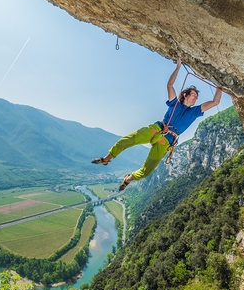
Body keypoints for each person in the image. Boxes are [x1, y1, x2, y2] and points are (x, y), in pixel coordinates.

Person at [92, 58, 222, 191]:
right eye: (194, 95)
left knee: (147, 170)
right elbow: (170, 85)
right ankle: (106, 158)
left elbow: (215, 102)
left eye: (196, 96)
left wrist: (220, 86)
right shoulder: (175, 102)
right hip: (158, 129)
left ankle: (128, 178)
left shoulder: (195, 111)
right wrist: (178, 67)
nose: (196, 97)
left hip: (167, 141)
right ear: (185, 94)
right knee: (127, 140)